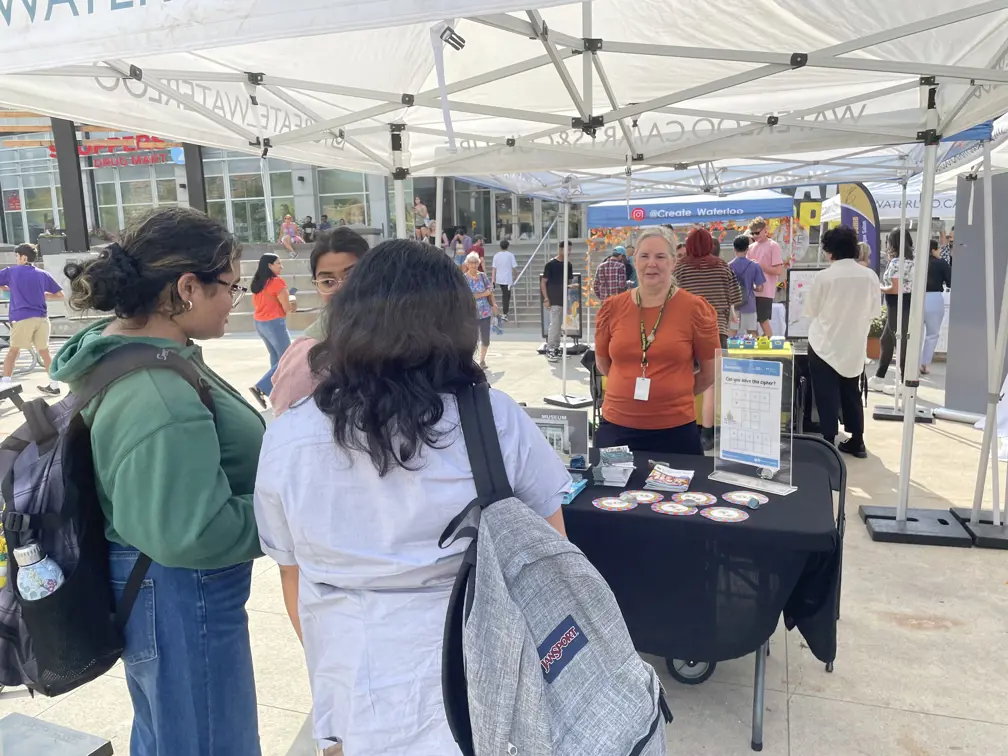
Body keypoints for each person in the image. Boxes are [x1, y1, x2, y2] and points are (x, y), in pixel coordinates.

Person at [253, 239, 568, 756]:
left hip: (352, 683)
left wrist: (334, 674)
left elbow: (292, 576)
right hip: (482, 681)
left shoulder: (288, 437)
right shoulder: (496, 419)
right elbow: (551, 553)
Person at [51, 207, 263, 755]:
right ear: (187, 287)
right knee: (208, 743)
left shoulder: (143, 348)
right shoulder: (156, 389)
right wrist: (291, 509)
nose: (232, 303)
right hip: (180, 591)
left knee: (173, 735)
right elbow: (192, 533)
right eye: (230, 288)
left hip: (160, 588)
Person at [593, 228, 720, 454]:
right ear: (635, 260)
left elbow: (710, 371)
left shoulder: (695, 309)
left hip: (675, 430)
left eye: (660, 256)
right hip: (617, 427)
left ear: (673, 262)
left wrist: (672, 396)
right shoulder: (612, 308)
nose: (652, 263)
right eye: (644, 256)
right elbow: (603, 365)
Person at [270, 227, 370, 416]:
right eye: (328, 282)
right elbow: (287, 427)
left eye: (352, 276)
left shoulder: (395, 333)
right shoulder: (308, 357)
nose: (341, 289)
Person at [805, 225, 880, 458]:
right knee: (852, 391)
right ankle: (857, 440)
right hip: (854, 343)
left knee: (826, 393)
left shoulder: (824, 277)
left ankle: (828, 441)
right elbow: (875, 311)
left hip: (823, 343)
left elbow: (811, 310)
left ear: (830, 251)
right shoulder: (870, 276)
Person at [673, 227, 742, 451]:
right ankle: (708, 434)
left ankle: (684, 427)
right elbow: (735, 298)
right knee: (710, 384)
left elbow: (671, 300)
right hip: (716, 331)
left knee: (682, 381)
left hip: (685, 332)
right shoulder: (722, 266)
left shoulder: (681, 267)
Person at [0, 243, 64, 395]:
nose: (16, 259)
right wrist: (41, 294)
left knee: (13, 352)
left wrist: (6, 289)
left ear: (23, 257)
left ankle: (5, 383)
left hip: (22, 318)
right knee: (44, 352)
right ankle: (54, 385)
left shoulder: (11, 272)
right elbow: (60, 295)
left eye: (17, 256)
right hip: (42, 319)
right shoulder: (42, 274)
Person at [869, 228, 915, 393]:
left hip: (896, 304)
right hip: (906, 304)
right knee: (886, 340)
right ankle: (879, 378)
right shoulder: (913, 259)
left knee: (899, 342)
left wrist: (879, 287)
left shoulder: (897, 262)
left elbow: (894, 289)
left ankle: (904, 381)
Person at [248, 253, 294, 409]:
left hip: (260, 323)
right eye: (278, 263)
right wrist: (292, 302)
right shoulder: (277, 282)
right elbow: (287, 307)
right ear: (270, 265)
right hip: (274, 323)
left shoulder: (258, 283)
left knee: (276, 358)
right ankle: (261, 387)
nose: (281, 266)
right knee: (288, 357)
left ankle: (275, 391)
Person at [746, 217, 784, 337]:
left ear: (765, 230)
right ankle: (758, 345)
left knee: (763, 321)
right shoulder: (751, 247)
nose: (755, 235)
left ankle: (767, 346)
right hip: (751, 290)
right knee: (749, 323)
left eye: (757, 232)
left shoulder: (773, 246)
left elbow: (778, 270)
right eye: (752, 233)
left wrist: (761, 266)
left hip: (766, 291)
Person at [920, 238, 952, 375]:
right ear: (933, 250)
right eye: (938, 249)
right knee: (932, 334)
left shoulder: (917, 262)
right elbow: (950, 282)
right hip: (934, 297)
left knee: (915, 334)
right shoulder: (941, 263)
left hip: (916, 298)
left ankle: (911, 363)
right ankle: (924, 364)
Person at [540, 240, 574, 362]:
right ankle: (550, 349)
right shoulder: (550, 264)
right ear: (560, 249)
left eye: (570, 249)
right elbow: (543, 282)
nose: (568, 252)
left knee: (559, 325)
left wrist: (570, 291)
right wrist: (546, 298)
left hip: (564, 298)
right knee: (554, 324)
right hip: (553, 298)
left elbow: (569, 283)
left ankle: (556, 347)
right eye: (566, 249)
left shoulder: (568, 265)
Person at [463, 251, 498, 369]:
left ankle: (482, 360)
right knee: (471, 338)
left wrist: (494, 304)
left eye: (475, 262)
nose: (473, 265)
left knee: (485, 338)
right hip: (470, 313)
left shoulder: (483, 276)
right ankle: (470, 361)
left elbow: (490, 291)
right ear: (467, 264)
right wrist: (483, 294)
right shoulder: (464, 279)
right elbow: (467, 296)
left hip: (485, 312)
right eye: (471, 263)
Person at [728, 234, 766, 336]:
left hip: (734, 305)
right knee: (752, 331)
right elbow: (760, 288)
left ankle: (728, 351)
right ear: (747, 249)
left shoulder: (728, 266)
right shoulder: (754, 266)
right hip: (749, 304)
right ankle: (753, 352)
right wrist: (751, 287)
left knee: (732, 331)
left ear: (734, 249)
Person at [491, 238, 517, 320]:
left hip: (499, 278)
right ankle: (505, 313)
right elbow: (514, 268)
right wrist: (516, 276)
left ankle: (505, 312)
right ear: (507, 246)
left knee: (505, 295)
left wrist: (493, 279)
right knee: (506, 296)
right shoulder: (510, 255)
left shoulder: (496, 255)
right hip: (507, 279)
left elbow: (494, 268)